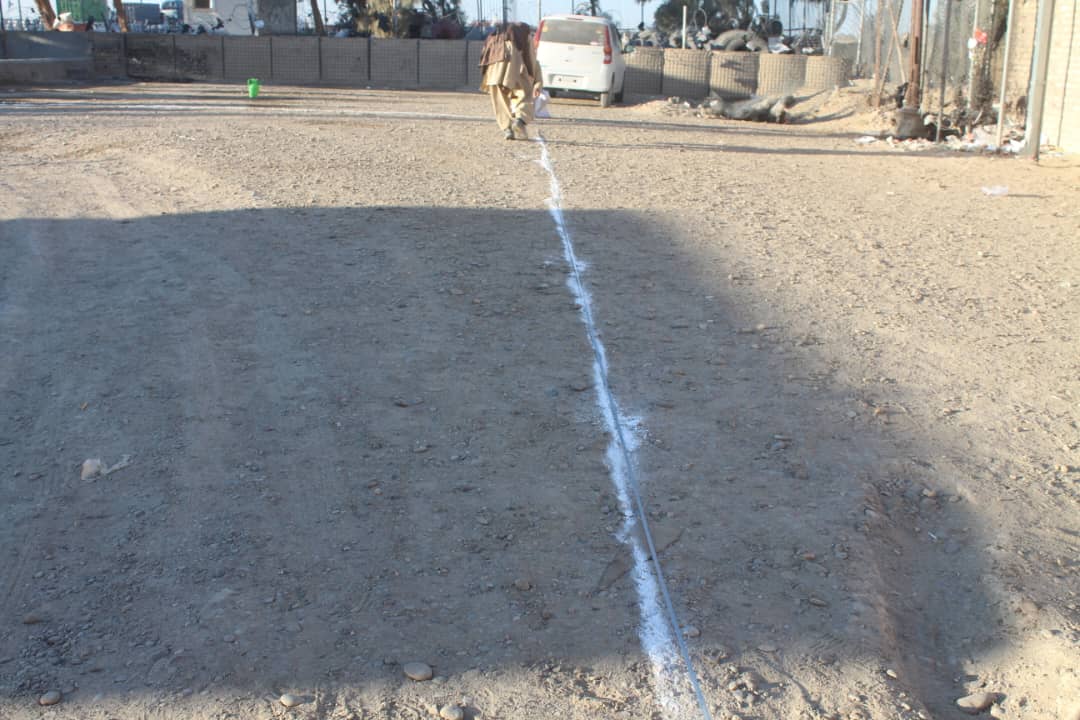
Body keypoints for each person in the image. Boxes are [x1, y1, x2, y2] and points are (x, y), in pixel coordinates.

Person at [479, 22, 543, 141]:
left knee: (499, 101)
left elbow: (483, 57)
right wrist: (537, 81)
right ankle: (520, 120)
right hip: (514, 67)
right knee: (525, 94)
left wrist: (486, 76)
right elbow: (531, 59)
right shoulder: (524, 35)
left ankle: (507, 129)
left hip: (493, 71)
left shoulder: (493, 37)